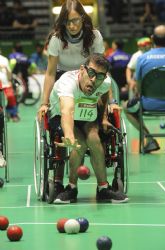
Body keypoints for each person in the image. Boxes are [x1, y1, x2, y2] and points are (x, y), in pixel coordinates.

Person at [44, 53, 128, 204]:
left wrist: (102, 118)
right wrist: (69, 134)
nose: (94, 80)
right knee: (80, 143)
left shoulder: (104, 82)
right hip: (60, 115)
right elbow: (67, 110)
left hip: (85, 115)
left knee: (94, 139)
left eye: (100, 76)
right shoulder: (67, 83)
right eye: (91, 73)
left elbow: (102, 96)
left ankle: (103, 188)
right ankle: (71, 188)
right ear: (82, 70)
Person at [38, 0, 105, 188]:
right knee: (64, 122)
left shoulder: (94, 36)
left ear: (83, 19)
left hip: (89, 77)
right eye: (67, 22)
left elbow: (101, 68)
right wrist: (45, 102)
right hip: (63, 78)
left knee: (94, 128)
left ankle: (103, 185)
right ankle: (59, 180)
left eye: (75, 20)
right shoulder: (57, 39)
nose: (72, 25)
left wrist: (108, 100)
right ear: (62, 23)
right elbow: (50, 73)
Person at [124, 24, 165, 153]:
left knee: (127, 108)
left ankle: (150, 139)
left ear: (152, 38)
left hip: (148, 104)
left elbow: (138, 86)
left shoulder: (142, 58)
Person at [0, 51, 20, 122]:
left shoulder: (4, 59)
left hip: (5, 84)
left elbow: (9, 73)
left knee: (11, 96)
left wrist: (10, 80)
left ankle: (13, 114)